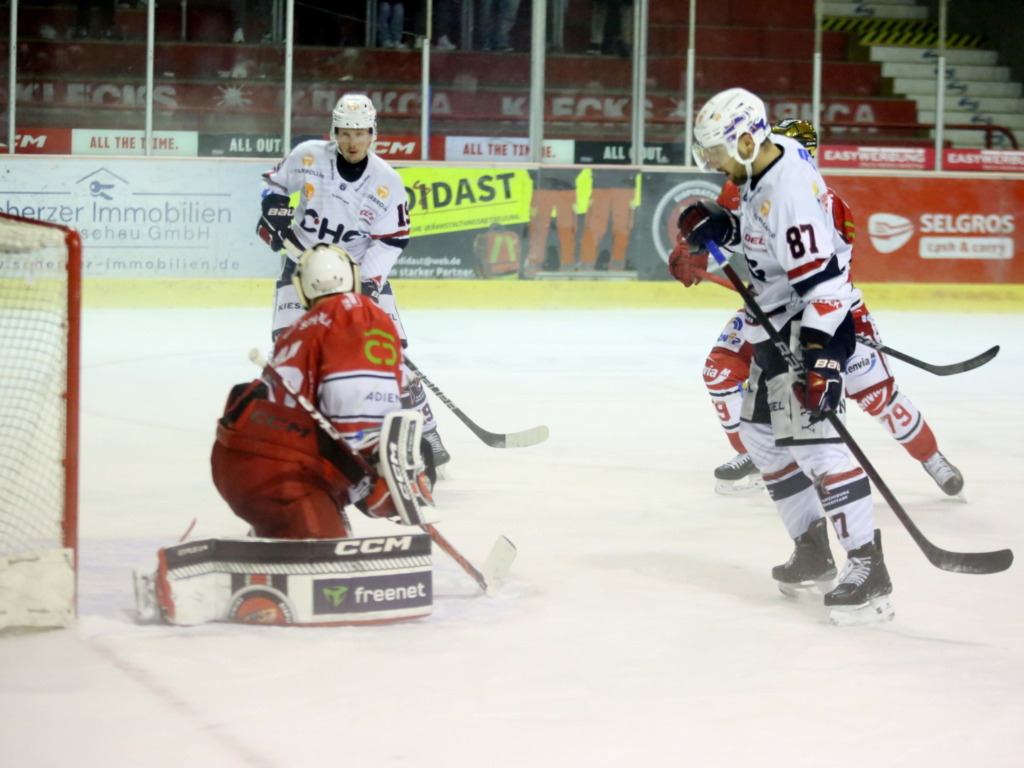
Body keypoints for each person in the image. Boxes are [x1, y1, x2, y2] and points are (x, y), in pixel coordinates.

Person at [678, 87, 894, 625]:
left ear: (748, 140)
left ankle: (868, 568)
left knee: (818, 448)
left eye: (718, 153)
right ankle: (813, 550)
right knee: (762, 439)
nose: (714, 165)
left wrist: (820, 357)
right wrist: (721, 227)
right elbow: (762, 242)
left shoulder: (789, 192)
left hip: (806, 327)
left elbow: (824, 286)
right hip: (772, 325)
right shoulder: (762, 164)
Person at [671, 119, 964, 500]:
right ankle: (759, 458)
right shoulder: (739, 190)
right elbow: (723, 236)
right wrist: (694, 254)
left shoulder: (825, 204)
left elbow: (827, 281)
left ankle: (931, 458)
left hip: (823, 313)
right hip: (768, 310)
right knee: (720, 372)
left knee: (876, 397)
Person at [257, 92, 450, 470]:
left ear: (373, 134)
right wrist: (274, 208)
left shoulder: (386, 181)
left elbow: (392, 239)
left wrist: (369, 284)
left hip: (360, 272)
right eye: (345, 132)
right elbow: (276, 184)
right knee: (287, 352)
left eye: (360, 133)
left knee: (391, 357)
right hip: (304, 269)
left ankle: (428, 434)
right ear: (334, 131)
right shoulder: (309, 156)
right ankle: (296, 441)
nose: (352, 141)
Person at [211, 244, 414, 539]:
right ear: (353, 277)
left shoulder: (296, 330)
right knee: (327, 571)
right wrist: (380, 468)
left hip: (239, 463)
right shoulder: (356, 312)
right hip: (285, 473)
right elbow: (357, 403)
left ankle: (275, 537)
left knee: (285, 545)